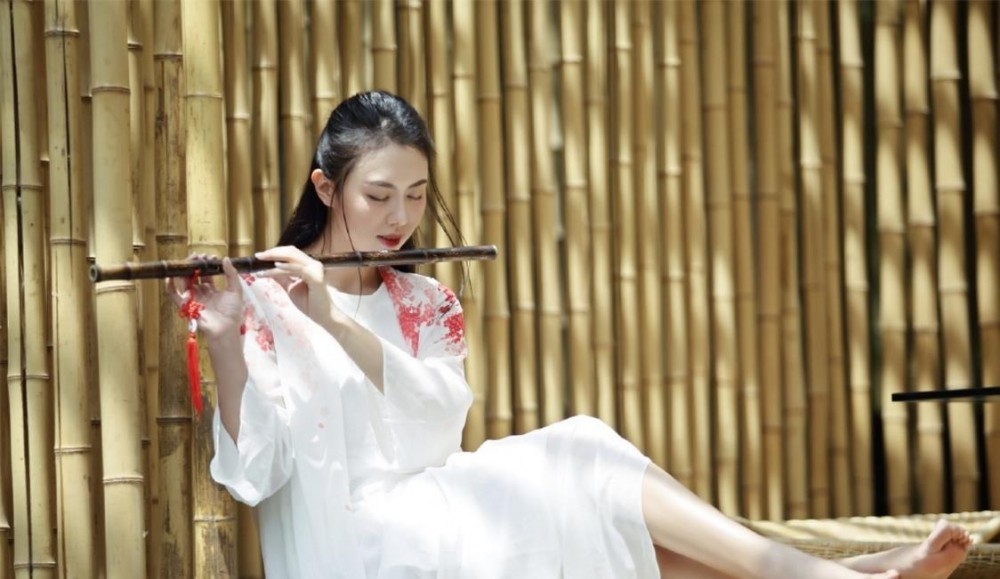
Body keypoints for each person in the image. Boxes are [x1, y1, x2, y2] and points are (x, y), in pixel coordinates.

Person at [169, 90, 973, 578]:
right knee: (582, 456)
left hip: (436, 514)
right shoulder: (267, 303)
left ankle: (832, 574)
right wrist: (229, 336)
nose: (401, 217)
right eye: (378, 195)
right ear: (325, 186)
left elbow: (435, 426)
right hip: (355, 548)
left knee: (602, 521)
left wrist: (336, 319)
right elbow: (256, 472)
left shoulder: (425, 302)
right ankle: (833, 572)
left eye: (416, 194)